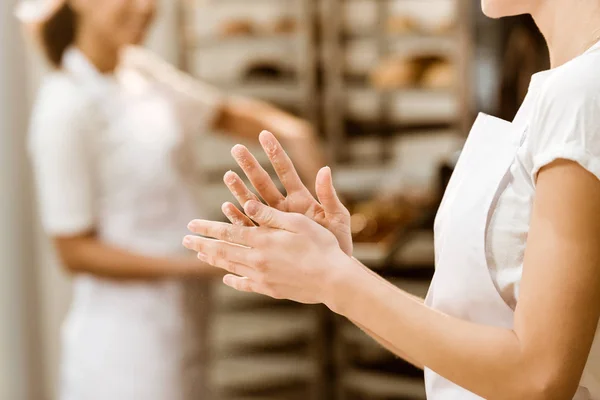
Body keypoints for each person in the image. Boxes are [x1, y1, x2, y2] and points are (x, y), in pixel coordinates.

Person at [183, 0, 600, 398]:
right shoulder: (560, 88)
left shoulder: (581, 91)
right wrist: (335, 273)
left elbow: (539, 378)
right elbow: (472, 348)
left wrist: (336, 279)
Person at [18, 0, 325, 399]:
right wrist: (210, 261)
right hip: (121, 352)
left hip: (183, 326)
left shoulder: (139, 71)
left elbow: (223, 113)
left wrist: (294, 133)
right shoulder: (63, 107)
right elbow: (75, 252)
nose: (146, 7)